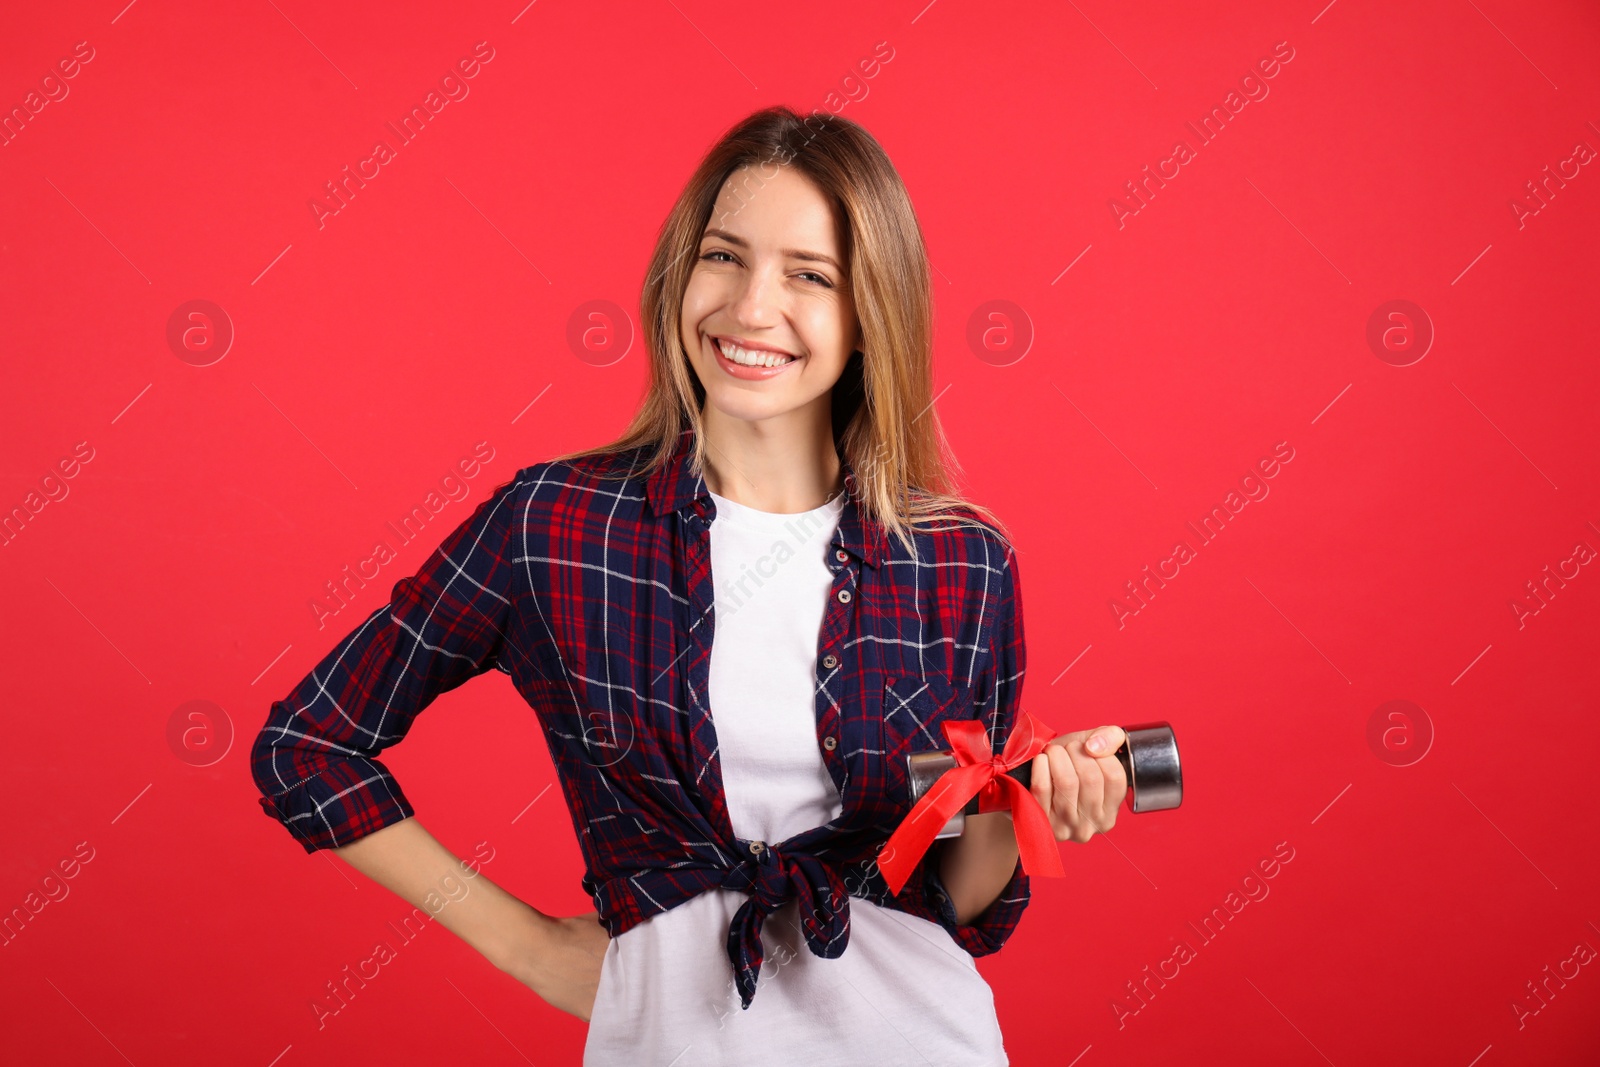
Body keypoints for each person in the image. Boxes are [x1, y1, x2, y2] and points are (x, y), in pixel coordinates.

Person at [250, 104, 1129, 1066]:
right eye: (723, 256)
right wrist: (531, 950)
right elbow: (306, 747)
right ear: (680, 269)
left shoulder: (960, 561)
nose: (752, 308)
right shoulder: (556, 525)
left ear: (872, 312)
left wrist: (1030, 811)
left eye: (809, 275)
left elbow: (951, 895)